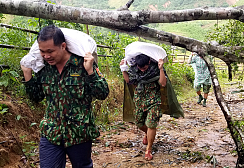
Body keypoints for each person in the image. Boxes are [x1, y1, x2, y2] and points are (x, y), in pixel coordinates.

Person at [21, 25, 109, 168]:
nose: (46, 56)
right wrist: (28, 75)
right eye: (42, 51)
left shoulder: (82, 63)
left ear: (63, 46)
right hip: (51, 132)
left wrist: (91, 72)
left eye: (50, 51)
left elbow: (103, 93)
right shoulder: (43, 67)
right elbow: (36, 97)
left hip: (79, 132)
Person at [120, 54, 167, 161]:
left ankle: (148, 149)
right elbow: (129, 81)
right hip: (139, 100)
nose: (141, 70)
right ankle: (148, 133)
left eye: (144, 68)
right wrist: (123, 69)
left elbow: (163, 83)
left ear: (149, 63)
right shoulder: (134, 69)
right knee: (139, 123)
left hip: (153, 100)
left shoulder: (155, 68)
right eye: (139, 68)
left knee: (151, 124)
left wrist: (161, 69)